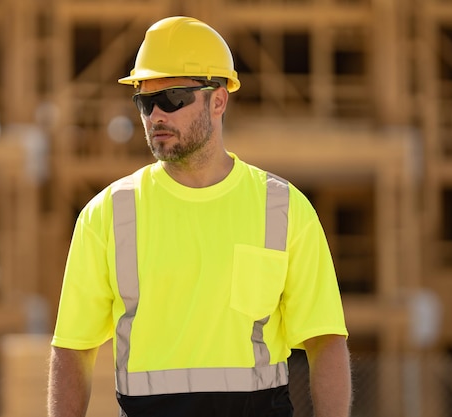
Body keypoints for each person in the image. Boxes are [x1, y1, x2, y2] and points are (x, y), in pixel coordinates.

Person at [48, 16, 351, 417]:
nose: (156, 115)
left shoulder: (284, 209)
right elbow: (72, 349)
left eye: (172, 98)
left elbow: (325, 341)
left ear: (218, 99)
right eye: (144, 101)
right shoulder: (105, 215)